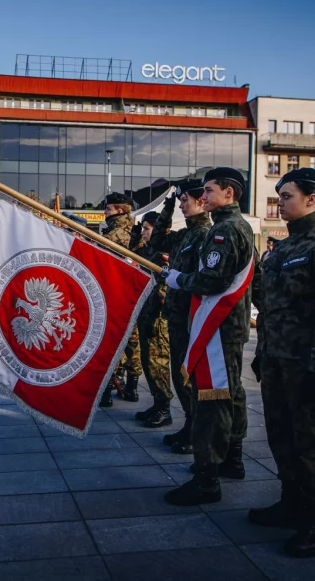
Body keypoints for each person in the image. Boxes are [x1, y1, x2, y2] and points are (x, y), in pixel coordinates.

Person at [249, 168, 315, 558]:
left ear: (312, 199)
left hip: (310, 367)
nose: (281, 203)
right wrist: (264, 353)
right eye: (280, 196)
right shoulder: (283, 248)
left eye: (287, 196)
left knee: (313, 443)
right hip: (279, 361)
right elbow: (272, 309)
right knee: (282, 436)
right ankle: (291, 502)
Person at [162, 167, 254, 506]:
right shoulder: (231, 227)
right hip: (226, 328)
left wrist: (177, 281)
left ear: (228, 193)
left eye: (209, 190)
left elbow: (210, 282)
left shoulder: (225, 231)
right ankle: (230, 459)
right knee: (226, 396)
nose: (204, 197)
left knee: (212, 401)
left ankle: (207, 478)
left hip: (219, 330)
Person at [151, 179, 211, 454]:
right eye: (181, 200)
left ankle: (195, 430)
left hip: (191, 319)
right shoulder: (185, 234)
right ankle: (189, 425)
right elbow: (158, 241)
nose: (182, 204)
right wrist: (169, 204)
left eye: (185, 199)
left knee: (190, 379)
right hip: (175, 317)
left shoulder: (205, 234)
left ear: (201, 201)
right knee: (179, 375)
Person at [98, 192, 143, 407]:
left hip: (113, 297)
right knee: (133, 343)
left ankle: (106, 392)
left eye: (108, 209)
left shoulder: (111, 237)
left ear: (120, 210)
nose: (105, 213)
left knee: (111, 344)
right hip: (133, 297)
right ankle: (132, 389)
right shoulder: (138, 234)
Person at [134, 210, 174, 428]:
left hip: (158, 318)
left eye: (146, 228)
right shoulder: (149, 250)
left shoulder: (162, 253)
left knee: (158, 363)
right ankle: (158, 404)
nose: (143, 232)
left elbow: (165, 285)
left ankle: (164, 408)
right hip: (147, 313)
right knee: (149, 363)